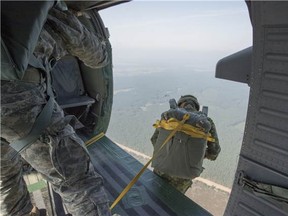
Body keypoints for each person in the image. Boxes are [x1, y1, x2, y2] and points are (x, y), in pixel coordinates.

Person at [1, 3, 112, 216]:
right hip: (17, 102)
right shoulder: (36, 8)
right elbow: (97, 57)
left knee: (4, 180)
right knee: (78, 183)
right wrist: (71, 18)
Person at [150, 95, 221, 194]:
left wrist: (168, 150)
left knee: (152, 196)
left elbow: (154, 139)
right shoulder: (206, 121)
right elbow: (214, 153)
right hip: (182, 178)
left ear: (180, 105)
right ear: (196, 106)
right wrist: (197, 152)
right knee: (172, 206)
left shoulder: (170, 116)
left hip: (160, 170)